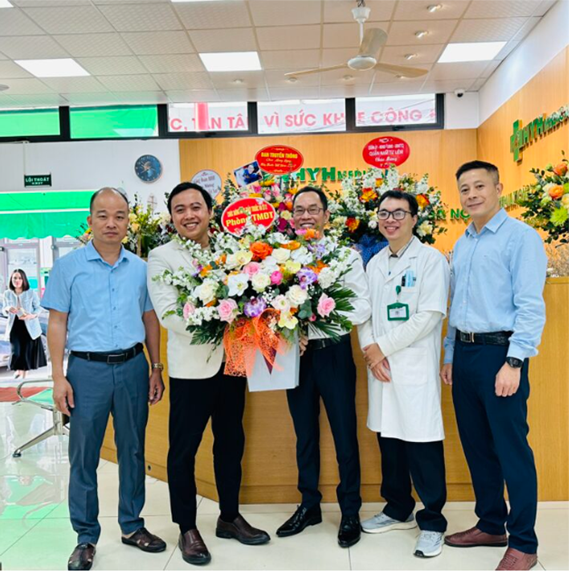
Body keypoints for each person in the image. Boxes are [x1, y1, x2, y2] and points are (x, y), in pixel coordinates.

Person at [42, 187, 166, 571]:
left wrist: (156, 367)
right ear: (90, 220)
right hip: (86, 371)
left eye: (120, 216)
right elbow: (57, 322)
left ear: (128, 222)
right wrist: (58, 377)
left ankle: (132, 525)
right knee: (84, 456)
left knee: (133, 450)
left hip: (132, 367)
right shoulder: (68, 267)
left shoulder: (141, 269)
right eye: (103, 215)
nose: (111, 223)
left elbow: (149, 319)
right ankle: (85, 537)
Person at [147, 182, 270, 566]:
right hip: (191, 370)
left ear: (209, 211)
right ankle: (187, 527)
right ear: (172, 216)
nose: (189, 215)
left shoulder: (230, 251)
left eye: (195, 207)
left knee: (231, 442)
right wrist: (226, 320)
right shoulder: (161, 257)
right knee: (183, 450)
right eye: (180, 209)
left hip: (233, 364)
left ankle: (229, 516)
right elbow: (170, 314)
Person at [441, 161, 547, 571]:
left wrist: (514, 361)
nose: (472, 194)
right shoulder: (464, 241)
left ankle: (524, 542)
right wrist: (450, 355)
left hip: (501, 355)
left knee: (511, 449)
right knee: (477, 447)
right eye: (465, 188)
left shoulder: (521, 238)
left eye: (479, 186)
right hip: (466, 356)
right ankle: (490, 524)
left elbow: (530, 306)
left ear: (498, 188)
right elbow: (457, 305)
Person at [276, 186, 371, 548]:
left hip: (333, 352)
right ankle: (309, 505)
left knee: (345, 433)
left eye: (313, 209)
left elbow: (361, 307)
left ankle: (350, 510)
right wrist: (289, 330)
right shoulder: (280, 259)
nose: (305, 216)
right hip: (295, 356)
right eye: (299, 210)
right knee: (304, 434)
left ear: (326, 216)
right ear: (291, 217)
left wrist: (313, 320)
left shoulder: (344, 257)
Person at [357, 191, 450, 559]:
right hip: (380, 367)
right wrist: (370, 349)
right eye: (384, 213)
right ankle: (398, 509)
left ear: (414, 218)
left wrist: (381, 347)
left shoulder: (430, 260)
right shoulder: (375, 263)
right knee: (390, 440)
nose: (390, 219)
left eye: (399, 213)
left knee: (422, 444)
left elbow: (429, 315)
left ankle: (433, 522)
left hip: (413, 368)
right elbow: (363, 313)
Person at [2, 268, 47, 379]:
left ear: (24, 280)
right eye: (14, 278)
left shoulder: (31, 293)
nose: (17, 280)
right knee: (16, 351)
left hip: (29, 327)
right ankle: (18, 370)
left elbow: (38, 308)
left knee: (26, 353)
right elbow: (4, 310)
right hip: (14, 326)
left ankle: (23, 377)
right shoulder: (7, 294)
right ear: (11, 280)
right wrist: (8, 308)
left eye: (19, 278)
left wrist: (31, 315)